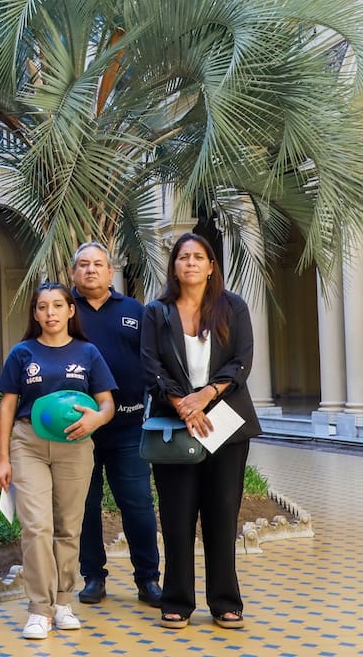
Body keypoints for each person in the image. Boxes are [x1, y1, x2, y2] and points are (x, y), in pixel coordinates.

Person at [141, 232, 262, 630]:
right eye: (183, 257)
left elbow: (242, 360)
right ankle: (176, 601)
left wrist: (206, 395)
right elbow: (150, 364)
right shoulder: (156, 313)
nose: (190, 263)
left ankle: (225, 601)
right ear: (173, 266)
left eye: (198, 257)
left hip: (225, 425)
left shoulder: (233, 307)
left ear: (212, 267)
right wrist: (182, 405)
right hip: (175, 426)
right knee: (176, 517)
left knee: (222, 514)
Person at [0, 282, 116, 639]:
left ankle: (63, 601)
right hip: (28, 443)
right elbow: (7, 406)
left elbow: (106, 402)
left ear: (70, 310)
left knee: (68, 527)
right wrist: (3, 458)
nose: (50, 313)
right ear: (35, 313)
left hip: (75, 446)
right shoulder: (22, 353)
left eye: (58, 306)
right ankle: (38, 609)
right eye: (43, 307)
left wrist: (98, 418)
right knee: (36, 526)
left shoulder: (88, 352)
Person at [70, 242, 162, 607]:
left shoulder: (135, 311)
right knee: (85, 506)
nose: (91, 270)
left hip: (127, 428)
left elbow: (153, 363)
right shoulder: (64, 309)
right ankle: (93, 576)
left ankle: (148, 579)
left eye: (98, 264)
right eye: (83, 265)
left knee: (138, 503)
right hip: (77, 429)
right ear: (73, 272)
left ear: (111, 272)